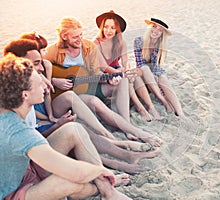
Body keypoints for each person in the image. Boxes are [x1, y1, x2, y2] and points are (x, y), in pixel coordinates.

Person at [3, 38, 160, 175]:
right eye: (36, 62)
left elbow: (44, 102)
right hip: (32, 158)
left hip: (41, 126)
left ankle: (123, 147)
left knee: (79, 121)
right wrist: (56, 123)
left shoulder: (35, 77)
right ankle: (116, 156)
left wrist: (52, 117)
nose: (42, 67)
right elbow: (32, 137)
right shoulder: (14, 97)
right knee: (75, 131)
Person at [0, 53, 131, 200]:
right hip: (11, 193)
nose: (46, 85)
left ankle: (108, 192)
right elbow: (77, 173)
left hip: (25, 169)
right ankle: (103, 187)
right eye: (40, 84)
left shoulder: (8, 106)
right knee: (66, 181)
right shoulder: (17, 131)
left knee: (73, 129)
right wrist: (100, 171)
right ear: (25, 95)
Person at [45, 17, 163, 146]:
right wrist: (54, 80)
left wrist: (110, 79)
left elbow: (96, 73)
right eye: (75, 37)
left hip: (89, 85)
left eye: (81, 34)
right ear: (64, 36)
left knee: (123, 80)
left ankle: (126, 124)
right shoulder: (53, 51)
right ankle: (130, 130)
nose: (80, 39)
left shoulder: (88, 46)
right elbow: (39, 73)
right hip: (71, 95)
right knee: (95, 102)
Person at [93, 10, 162, 121]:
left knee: (135, 76)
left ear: (117, 29)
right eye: (106, 27)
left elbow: (125, 63)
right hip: (103, 75)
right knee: (126, 78)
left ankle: (151, 107)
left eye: (113, 27)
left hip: (117, 70)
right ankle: (141, 109)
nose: (109, 30)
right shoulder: (95, 43)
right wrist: (121, 72)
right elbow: (104, 67)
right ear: (102, 27)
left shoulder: (120, 42)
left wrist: (125, 70)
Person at [134, 17, 185, 117]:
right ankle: (164, 101)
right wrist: (153, 76)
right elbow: (140, 63)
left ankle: (180, 113)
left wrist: (157, 78)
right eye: (154, 27)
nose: (156, 31)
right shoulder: (139, 41)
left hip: (156, 72)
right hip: (143, 72)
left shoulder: (161, 46)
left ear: (162, 34)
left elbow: (157, 67)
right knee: (145, 68)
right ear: (149, 28)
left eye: (160, 30)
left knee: (163, 80)